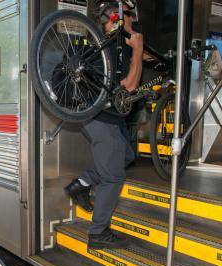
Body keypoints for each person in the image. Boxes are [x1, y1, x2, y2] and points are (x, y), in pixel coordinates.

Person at [65, 0, 143, 250]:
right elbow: (129, 86)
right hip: (103, 119)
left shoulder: (99, 42)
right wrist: (138, 52)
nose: (133, 21)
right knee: (113, 177)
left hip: (98, 117)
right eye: (129, 16)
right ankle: (98, 232)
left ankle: (82, 183)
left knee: (126, 154)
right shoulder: (113, 48)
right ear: (116, 17)